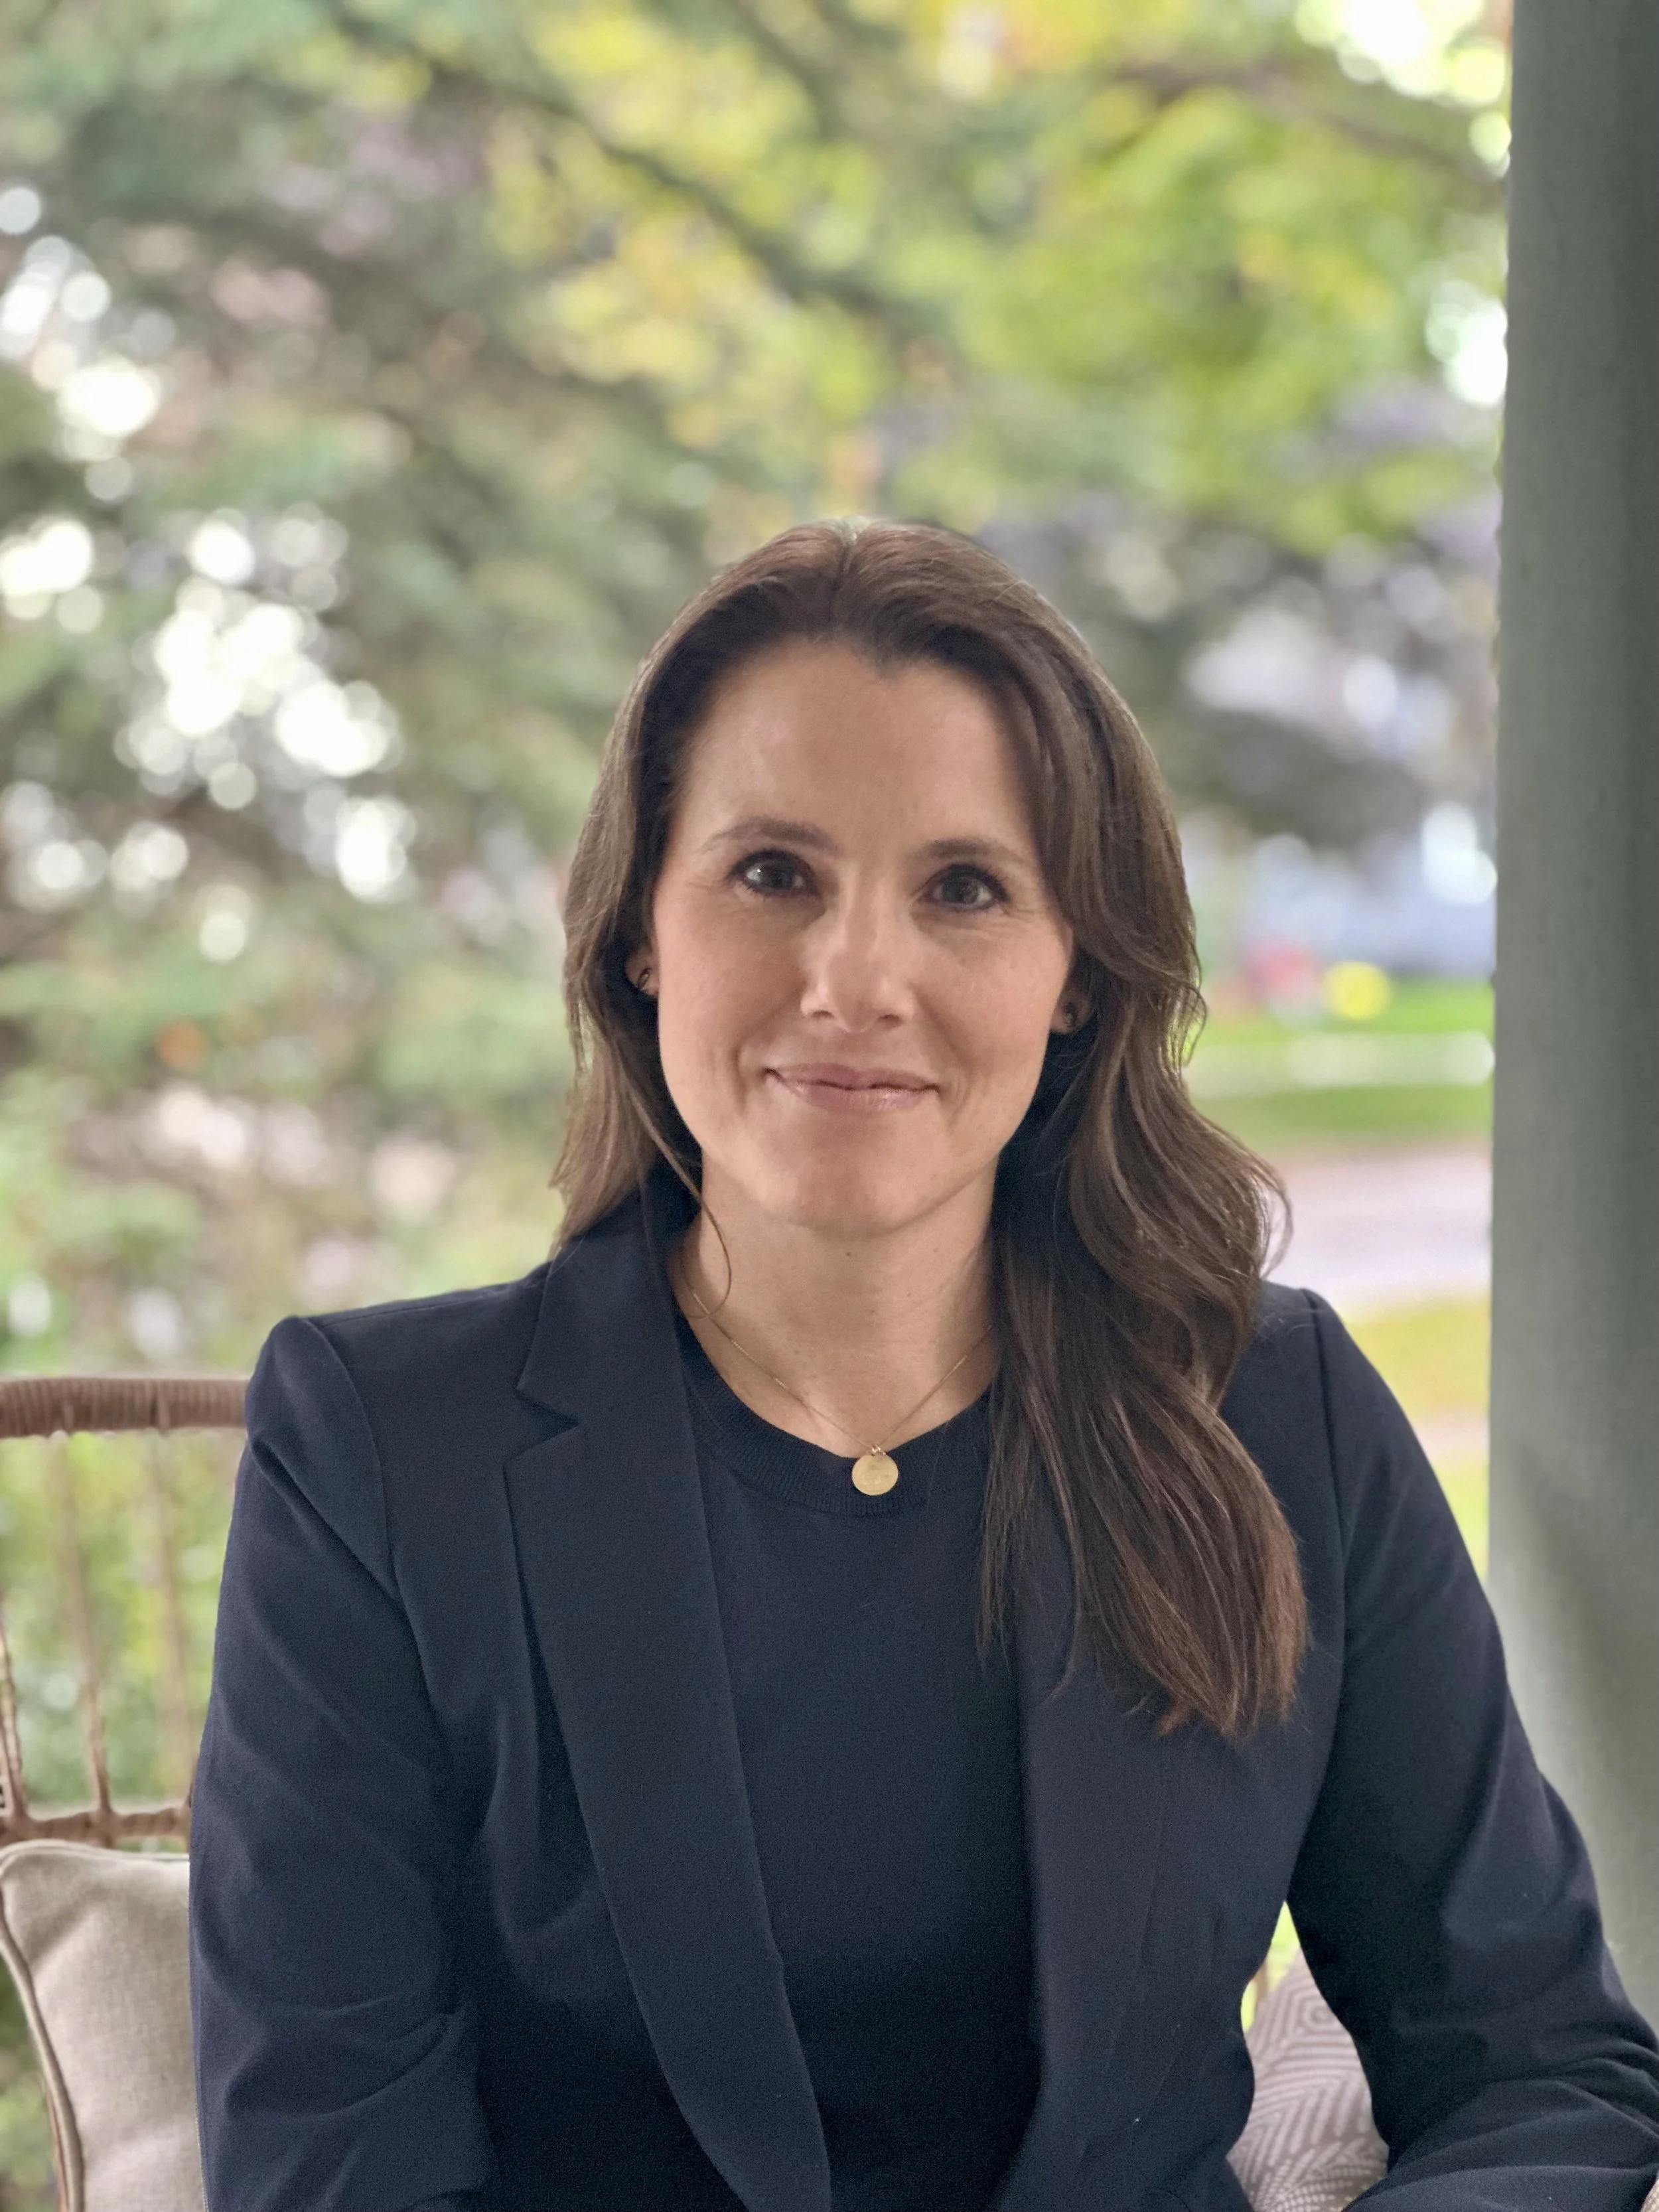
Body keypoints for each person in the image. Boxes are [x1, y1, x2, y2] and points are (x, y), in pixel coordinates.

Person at [188, 520, 1659, 2212]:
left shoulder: (1280, 1414)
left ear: (1074, 978)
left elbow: (1537, 2059)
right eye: (771, 873)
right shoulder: (382, 1448)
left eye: (963, 888)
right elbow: (327, 2158)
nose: (854, 980)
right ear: (639, 930)